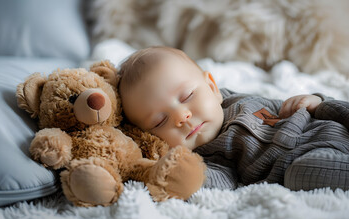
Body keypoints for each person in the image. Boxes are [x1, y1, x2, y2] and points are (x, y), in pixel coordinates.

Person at [118, 46, 349, 191]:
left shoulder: (236, 100)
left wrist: (313, 101)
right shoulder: (205, 155)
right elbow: (219, 181)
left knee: (329, 107)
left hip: (325, 127)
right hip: (305, 159)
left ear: (212, 87)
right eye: (160, 121)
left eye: (188, 95)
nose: (181, 116)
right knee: (299, 174)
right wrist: (179, 175)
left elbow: (283, 107)